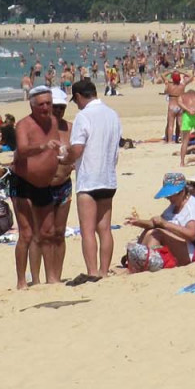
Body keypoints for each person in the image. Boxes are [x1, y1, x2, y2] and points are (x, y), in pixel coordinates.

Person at [11, 87, 71, 288]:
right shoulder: (23, 125)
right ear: (33, 106)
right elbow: (22, 150)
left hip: (45, 185)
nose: (46, 108)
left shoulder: (53, 122)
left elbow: (56, 146)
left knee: (48, 232)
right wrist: (43, 148)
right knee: (27, 234)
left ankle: (52, 277)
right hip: (23, 182)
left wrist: (61, 154)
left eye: (49, 103)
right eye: (42, 104)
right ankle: (22, 281)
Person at [64, 77, 121, 285]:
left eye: (76, 99)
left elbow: (77, 148)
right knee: (104, 229)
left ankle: (93, 271)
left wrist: (65, 157)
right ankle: (104, 271)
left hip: (89, 179)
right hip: (108, 177)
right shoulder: (112, 115)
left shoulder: (84, 115)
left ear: (79, 96)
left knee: (87, 229)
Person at [125, 173, 195, 266]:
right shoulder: (174, 206)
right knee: (149, 231)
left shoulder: (192, 207)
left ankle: (146, 263)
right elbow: (156, 223)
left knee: (156, 234)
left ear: (182, 191)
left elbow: (192, 235)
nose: (168, 197)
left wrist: (165, 224)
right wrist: (139, 222)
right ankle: (137, 262)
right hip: (184, 246)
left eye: (171, 194)